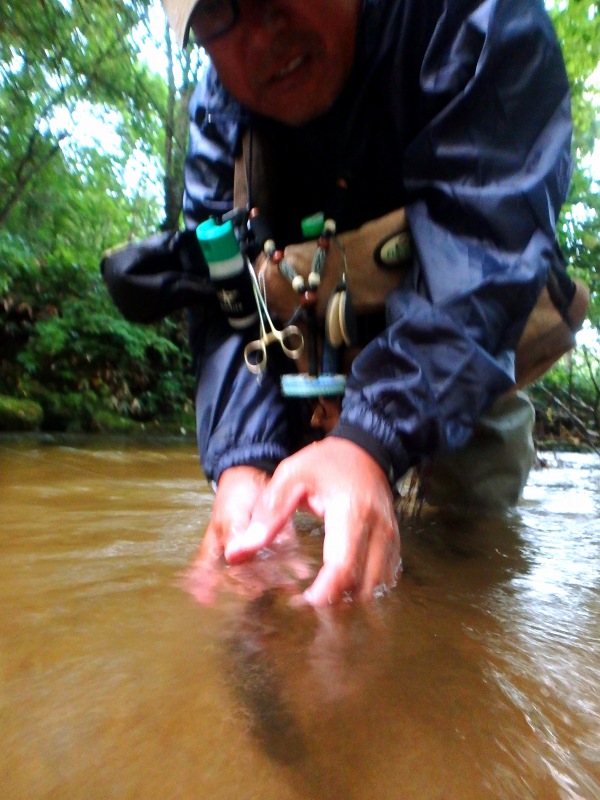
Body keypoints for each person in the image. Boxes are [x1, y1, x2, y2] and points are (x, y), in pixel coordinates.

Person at [102, 0, 587, 605]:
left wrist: (371, 439)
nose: (262, 36)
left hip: (465, 346)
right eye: (221, 13)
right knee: (282, 559)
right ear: (196, 36)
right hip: (309, 358)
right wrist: (241, 463)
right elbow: (224, 302)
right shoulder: (220, 110)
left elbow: (488, 247)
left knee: (473, 545)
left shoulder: (471, 17)